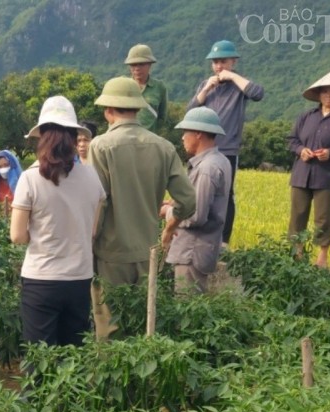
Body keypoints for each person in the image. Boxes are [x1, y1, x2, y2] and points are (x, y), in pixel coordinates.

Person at [10, 96, 106, 346]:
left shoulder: (30, 178)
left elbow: (17, 236)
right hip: (79, 278)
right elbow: (92, 230)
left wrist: (41, 233)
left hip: (42, 279)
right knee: (72, 355)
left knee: (39, 356)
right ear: (74, 138)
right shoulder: (91, 177)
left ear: (43, 137)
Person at [90, 76, 196, 287]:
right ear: (138, 109)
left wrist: (89, 240)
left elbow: (97, 203)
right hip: (147, 253)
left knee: (110, 308)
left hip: (111, 254)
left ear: (108, 110)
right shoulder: (164, 147)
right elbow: (188, 200)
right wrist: (170, 225)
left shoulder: (100, 146)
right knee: (145, 308)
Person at [189, 39, 264, 247]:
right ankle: (198, 233)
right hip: (202, 149)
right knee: (199, 190)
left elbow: (257, 93)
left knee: (225, 194)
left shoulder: (239, 86)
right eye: (215, 62)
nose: (218, 66)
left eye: (223, 61)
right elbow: (191, 111)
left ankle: (223, 241)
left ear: (233, 62)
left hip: (228, 149)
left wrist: (232, 76)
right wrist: (206, 88)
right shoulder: (206, 85)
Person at [287, 72, 330, 268]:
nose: (328, 95)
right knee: (298, 213)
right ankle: (297, 253)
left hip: (328, 177)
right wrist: (301, 150)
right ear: (319, 95)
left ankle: (322, 257)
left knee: (324, 217)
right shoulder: (306, 117)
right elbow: (292, 140)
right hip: (302, 173)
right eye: (325, 92)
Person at [163, 107, 231, 293]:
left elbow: (196, 216)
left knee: (187, 303)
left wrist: (168, 212)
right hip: (202, 249)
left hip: (192, 252)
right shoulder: (221, 160)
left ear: (198, 134)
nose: (183, 138)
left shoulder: (206, 168)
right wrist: (175, 204)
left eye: (186, 132)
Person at [124, 44, 168, 134]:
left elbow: (162, 118)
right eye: (133, 65)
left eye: (141, 64)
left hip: (149, 138)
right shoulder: (123, 85)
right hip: (126, 136)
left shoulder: (159, 87)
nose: (137, 68)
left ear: (149, 65)